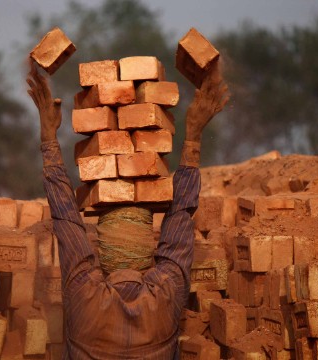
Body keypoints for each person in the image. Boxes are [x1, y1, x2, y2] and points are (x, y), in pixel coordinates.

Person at [26, 58, 229, 359]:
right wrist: (194, 135)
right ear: (147, 250)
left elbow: (66, 219)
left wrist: (47, 136)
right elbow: (181, 220)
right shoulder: (163, 297)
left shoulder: (88, 299)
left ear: (105, 253)